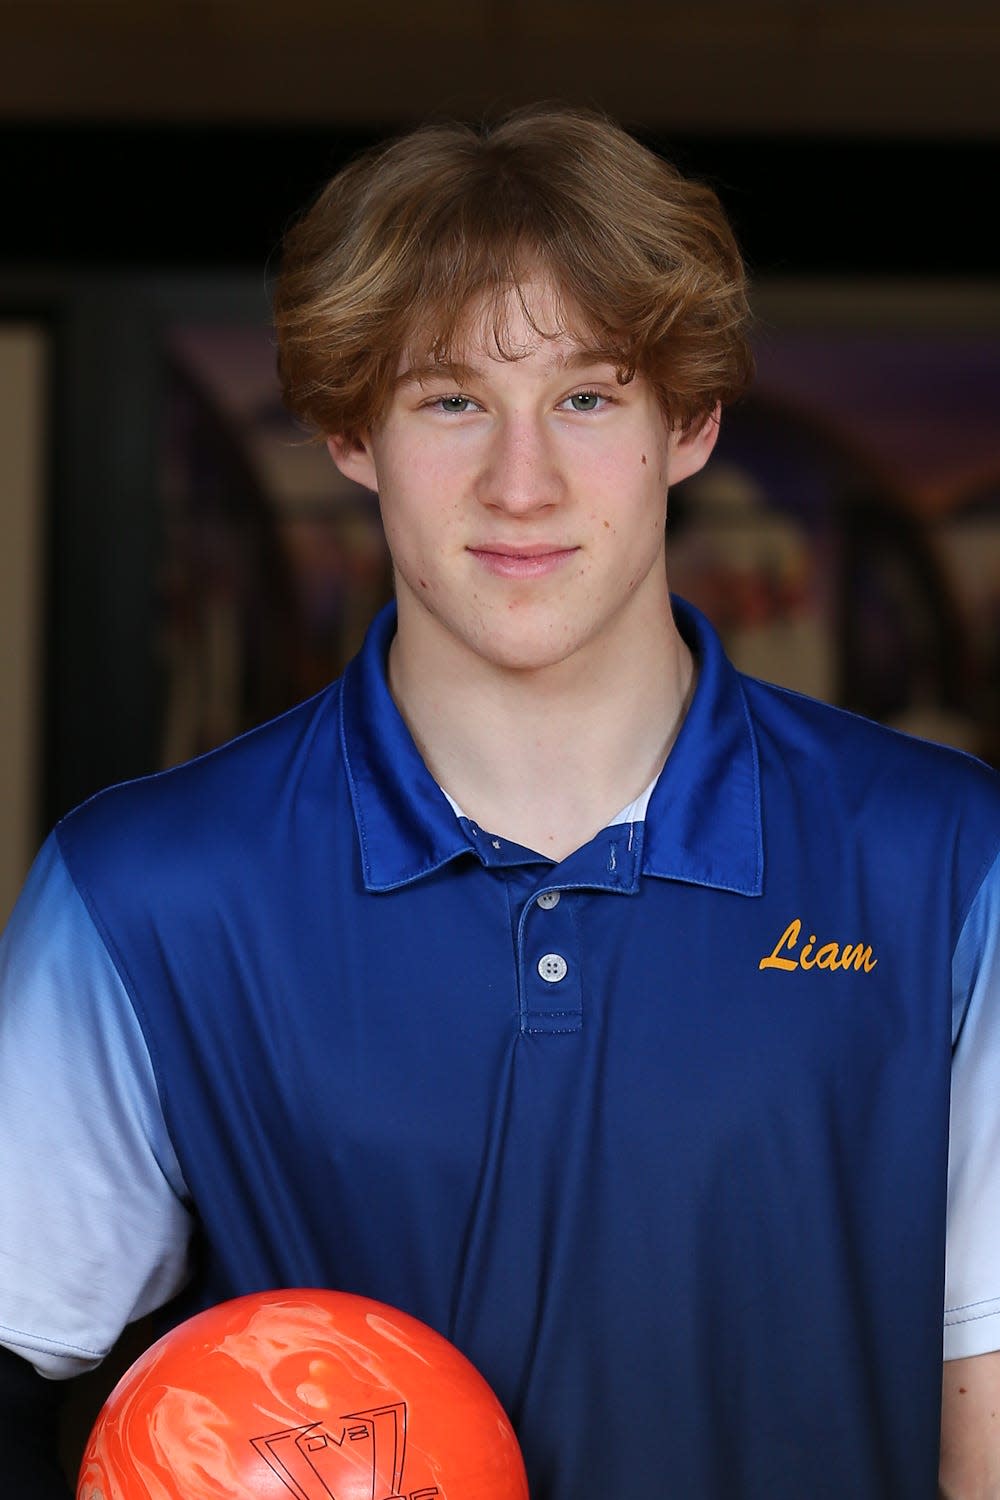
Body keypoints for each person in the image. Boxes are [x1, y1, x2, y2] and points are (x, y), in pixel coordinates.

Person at [1, 105, 998, 1500]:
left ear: (690, 425)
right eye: (451, 399)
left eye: (587, 398)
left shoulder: (952, 863)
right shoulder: (140, 893)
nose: (520, 483)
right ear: (353, 434)